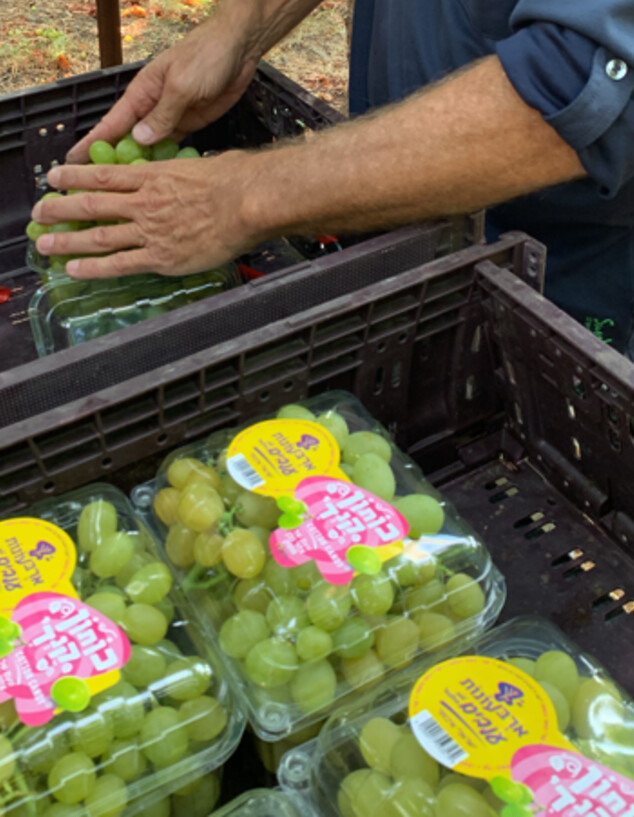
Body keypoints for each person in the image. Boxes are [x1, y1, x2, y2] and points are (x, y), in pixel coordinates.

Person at [30, 1, 634, 350]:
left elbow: (580, 93)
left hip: (566, 271)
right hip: (392, 214)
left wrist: (242, 198)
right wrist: (241, 30)